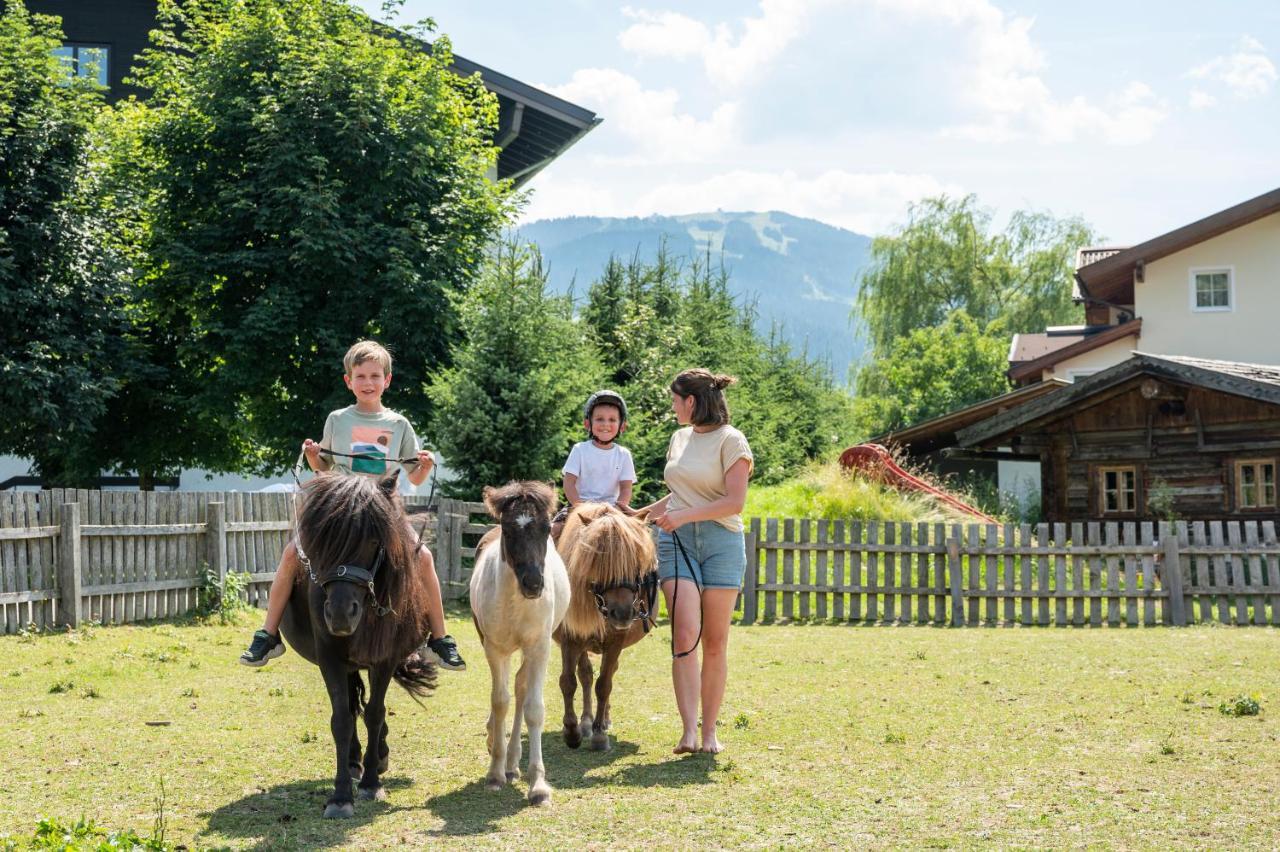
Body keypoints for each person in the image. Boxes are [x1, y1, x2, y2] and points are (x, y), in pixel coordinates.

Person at [239, 340, 466, 671]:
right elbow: (325, 470)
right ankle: (268, 635)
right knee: (291, 554)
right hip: (342, 509)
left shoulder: (399, 424)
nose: (368, 383)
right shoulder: (337, 419)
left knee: (424, 557)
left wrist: (426, 466)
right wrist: (316, 456)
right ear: (349, 381)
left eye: (375, 376)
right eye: (360, 376)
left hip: (384, 510)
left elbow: (414, 478)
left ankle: (440, 639)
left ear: (387, 380)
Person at [641, 369, 752, 754]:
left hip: (723, 542)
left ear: (691, 401)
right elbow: (678, 495)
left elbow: (734, 502)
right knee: (685, 635)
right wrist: (642, 512)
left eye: (675, 399)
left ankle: (710, 734)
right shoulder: (678, 438)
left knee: (716, 643)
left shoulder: (732, 440)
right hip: (677, 542)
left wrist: (684, 515)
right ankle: (688, 731)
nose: (672, 406)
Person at [552, 390, 637, 540]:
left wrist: (617, 509)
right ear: (587, 423)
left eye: (612, 420)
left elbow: (625, 488)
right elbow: (569, 484)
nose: (606, 424)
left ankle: (648, 563)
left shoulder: (623, 454)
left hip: (612, 508)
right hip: (579, 505)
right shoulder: (580, 450)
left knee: (637, 537)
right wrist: (580, 507)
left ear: (622, 426)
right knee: (553, 531)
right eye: (599, 419)